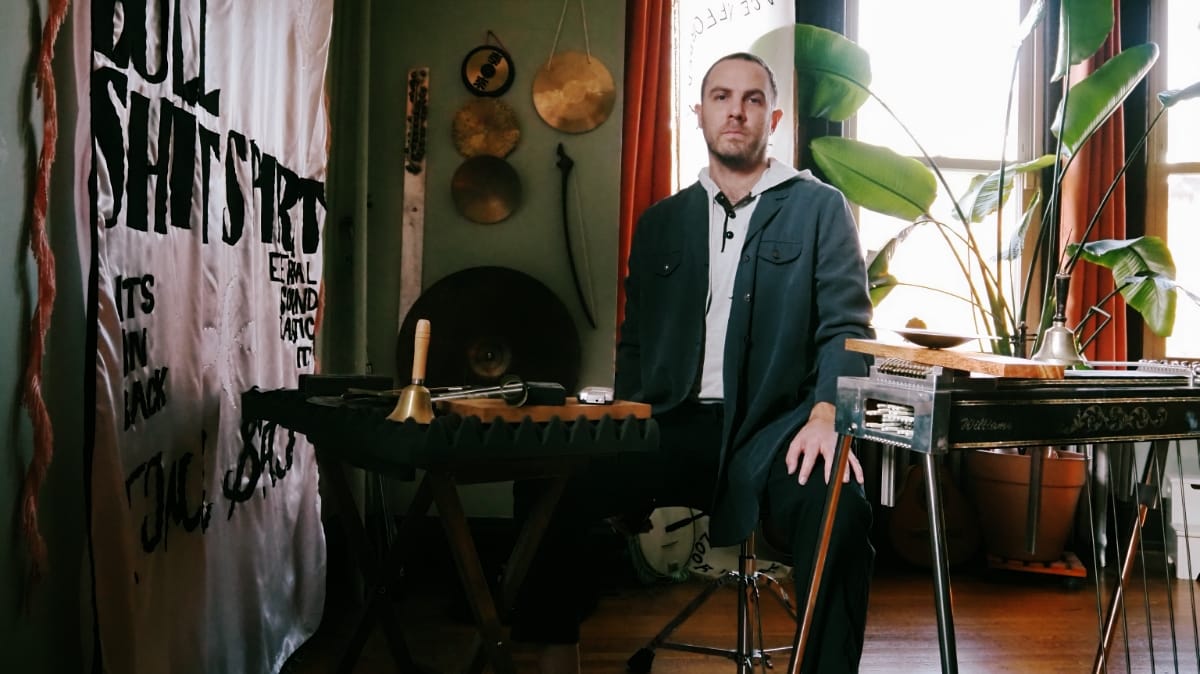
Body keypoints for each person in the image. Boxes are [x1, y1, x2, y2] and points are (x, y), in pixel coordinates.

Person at [511, 52, 875, 673]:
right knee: (548, 473)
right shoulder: (661, 223)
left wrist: (825, 417)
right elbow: (635, 341)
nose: (736, 110)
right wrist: (622, 416)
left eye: (752, 99)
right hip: (671, 424)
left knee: (839, 506)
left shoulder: (821, 209)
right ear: (700, 114)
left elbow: (847, 329)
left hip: (775, 430)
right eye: (721, 97)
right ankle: (553, 660)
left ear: (774, 117)